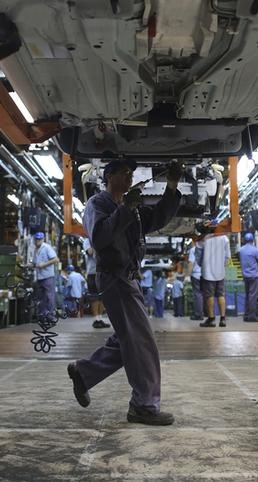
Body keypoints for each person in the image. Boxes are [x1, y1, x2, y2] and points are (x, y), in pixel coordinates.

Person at [67, 159, 183, 426]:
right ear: (109, 177)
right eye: (123, 172)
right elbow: (99, 237)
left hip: (129, 279)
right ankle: (143, 405)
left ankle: (84, 373)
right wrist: (126, 208)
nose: (130, 176)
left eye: (131, 173)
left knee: (127, 339)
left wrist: (172, 185)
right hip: (115, 278)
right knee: (141, 341)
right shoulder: (97, 204)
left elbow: (159, 218)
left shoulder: (132, 208)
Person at [197, 226, 230, 328]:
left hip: (207, 272)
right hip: (220, 271)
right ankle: (223, 319)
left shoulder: (204, 239)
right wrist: (222, 265)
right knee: (221, 294)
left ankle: (211, 319)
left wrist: (202, 264)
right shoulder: (225, 238)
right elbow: (227, 256)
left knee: (209, 295)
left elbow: (198, 256)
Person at [83, 237, 109, 328]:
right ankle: (95, 320)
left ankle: (100, 319)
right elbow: (90, 252)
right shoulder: (87, 240)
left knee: (102, 296)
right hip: (92, 272)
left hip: (103, 271)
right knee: (94, 296)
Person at [32, 231, 59, 318]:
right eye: (36, 239)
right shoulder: (36, 249)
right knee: (41, 297)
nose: (37, 241)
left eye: (39, 239)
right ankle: (43, 315)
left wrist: (44, 264)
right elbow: (35, 263)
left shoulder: (47, 247)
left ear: (43, 239)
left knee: (49, 296)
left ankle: (51, 315)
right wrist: (30, 265)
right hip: (40, 277)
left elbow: (55, 259)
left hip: (48, 276)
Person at [239, 232, 258, 322]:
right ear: (252, 240)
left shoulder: (241, 250)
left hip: (245, 276)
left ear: (244, 240)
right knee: (253, 296)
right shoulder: (255, 250)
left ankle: (246, 315)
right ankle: (252, 316)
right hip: (254, 276)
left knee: (247, 295)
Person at [187, 241, 203, 320]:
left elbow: (191, 263)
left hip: (196, 275)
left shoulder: (193, 249)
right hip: (206, 275)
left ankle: (198, 314)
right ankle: (207, 313)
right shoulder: (206, 248)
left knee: (197, 295)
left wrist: (188, 275)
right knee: (206, 295)